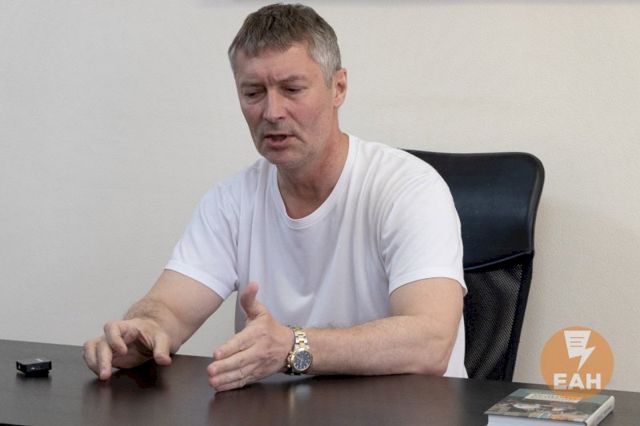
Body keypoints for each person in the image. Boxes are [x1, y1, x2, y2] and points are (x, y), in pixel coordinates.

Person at [82, 3, 467, 392]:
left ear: (338, 88)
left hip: (406, 411)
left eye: (292, 90)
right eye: (253, 92)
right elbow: (170, 309)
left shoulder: (408, 188)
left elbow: (430, 343)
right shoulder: (232, 200)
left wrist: (291, 346)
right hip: (282, 412)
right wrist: (145, 330)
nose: (271, 111)